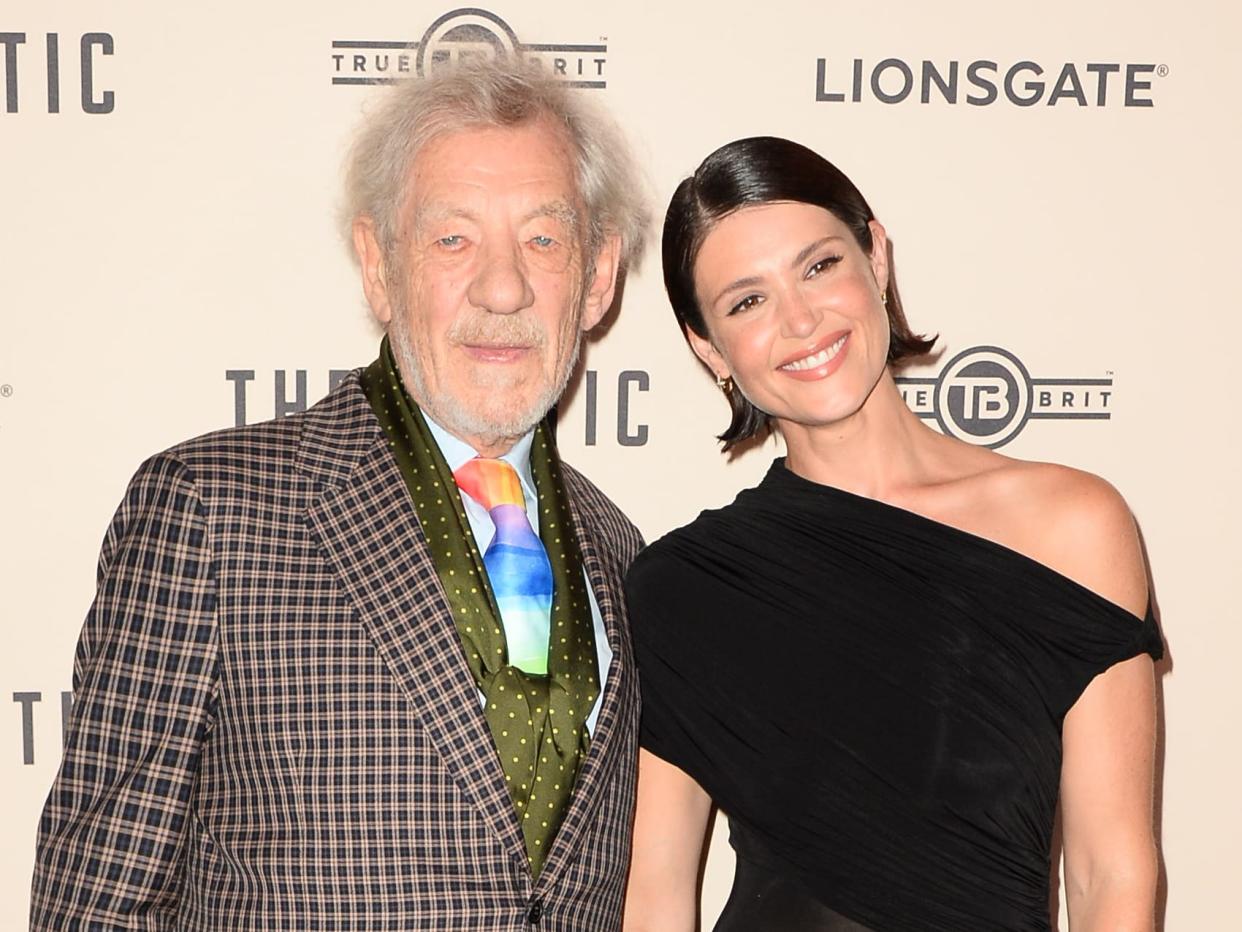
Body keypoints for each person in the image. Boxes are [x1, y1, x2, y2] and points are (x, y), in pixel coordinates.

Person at [30, 59, 649, 931]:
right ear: (378, 266)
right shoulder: (209, 512)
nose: (503, 287)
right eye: (452, 239)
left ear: (598, 276)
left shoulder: (626, 557)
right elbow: (98, 903)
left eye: (544, 240)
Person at [622, 136, 1162, 931]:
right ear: (711, 349)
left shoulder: (1072, 526)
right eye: (747, 301)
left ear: (875, 257)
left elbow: (1112, 871)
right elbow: (655, 897)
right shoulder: (684, 587)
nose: (801, 320)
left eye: (819, 266)